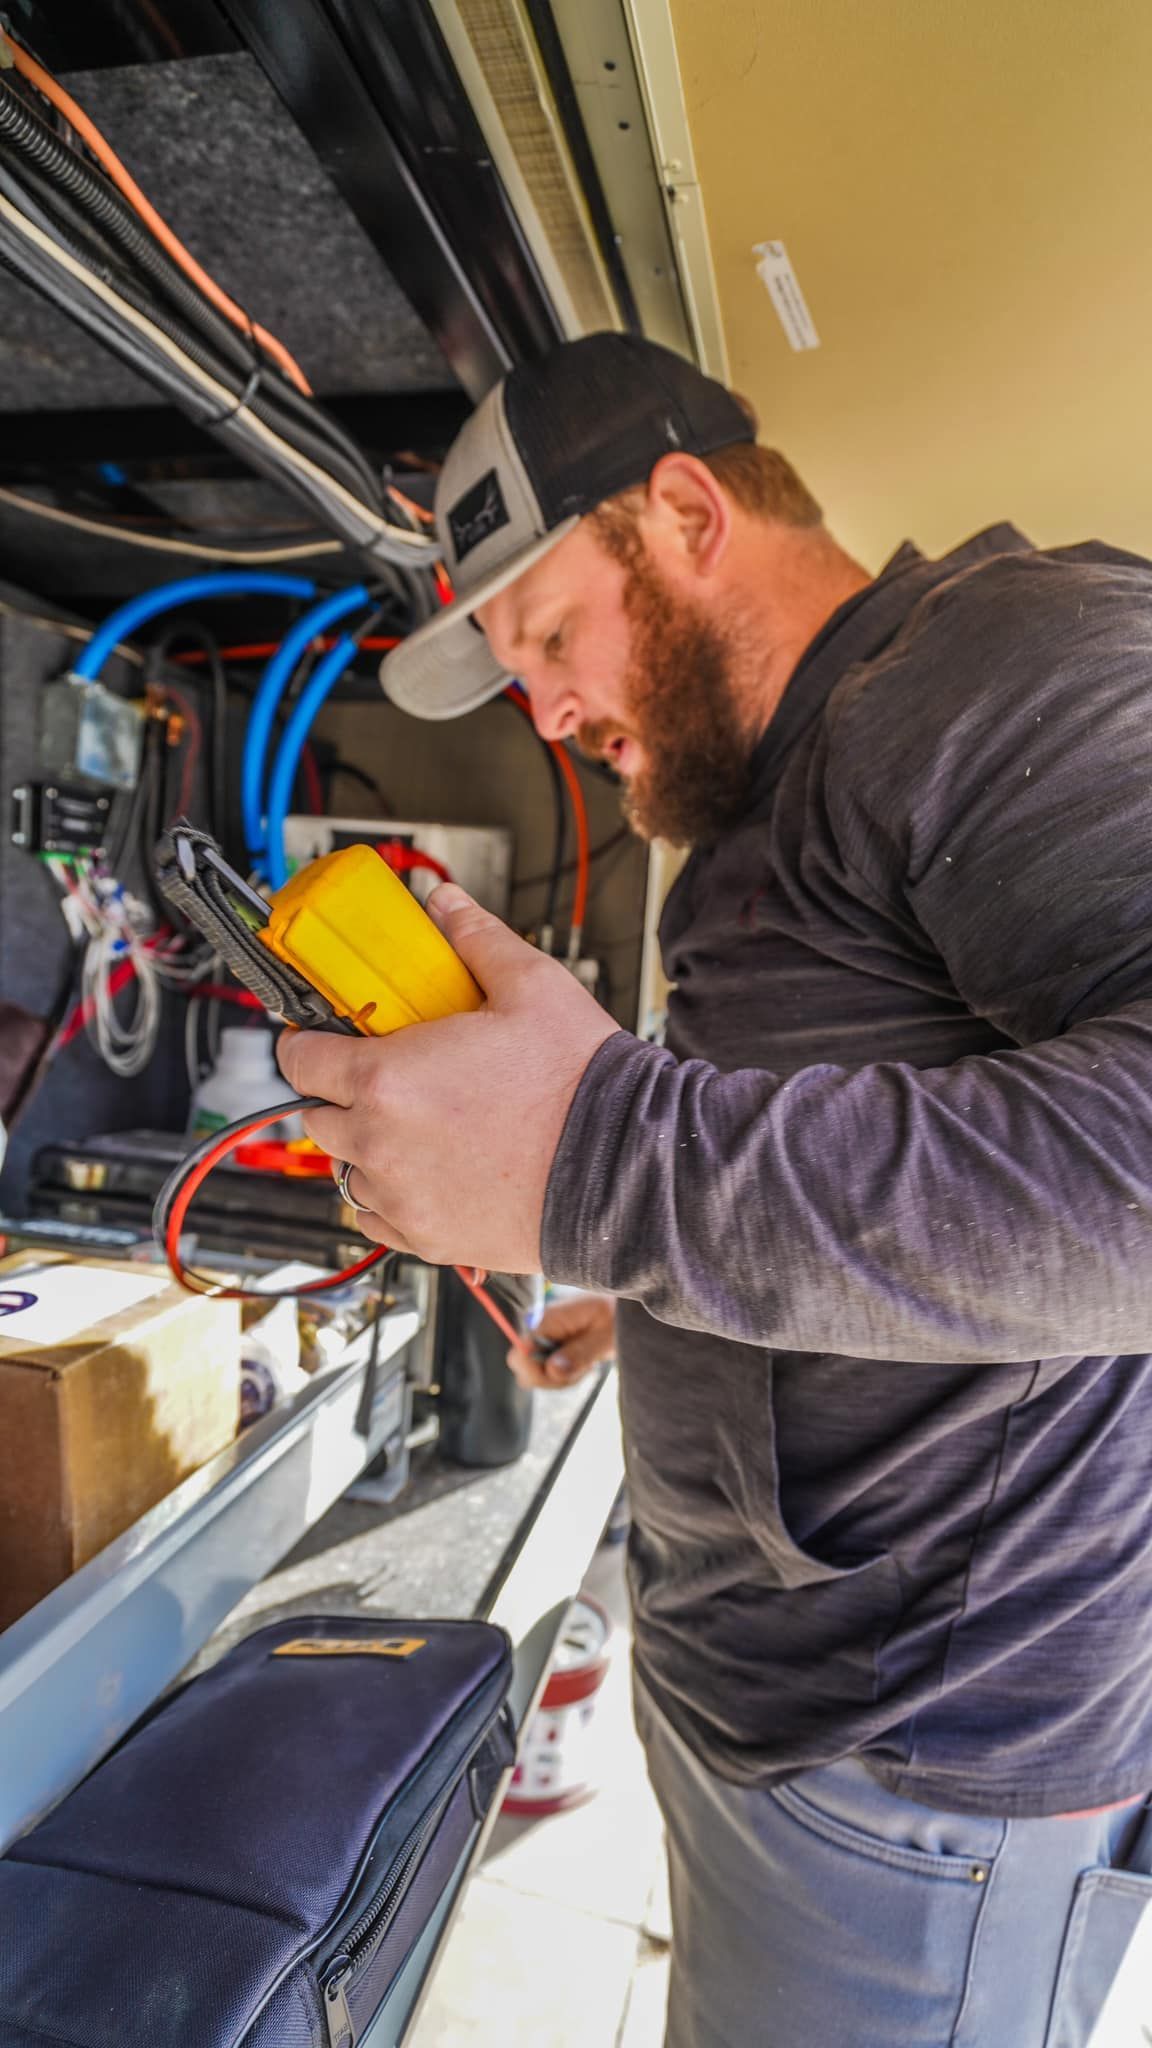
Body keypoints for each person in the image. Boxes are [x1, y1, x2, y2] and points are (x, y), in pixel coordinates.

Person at [278, 334, 1152, 2045]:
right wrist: (658, 1291)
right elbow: (863, 1156)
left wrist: (593, 1163)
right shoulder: (767, 785)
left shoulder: (1009, 662)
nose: (544, 711)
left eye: (548, 636)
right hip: (778, 1711)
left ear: (685, 509)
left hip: (924, 1769)